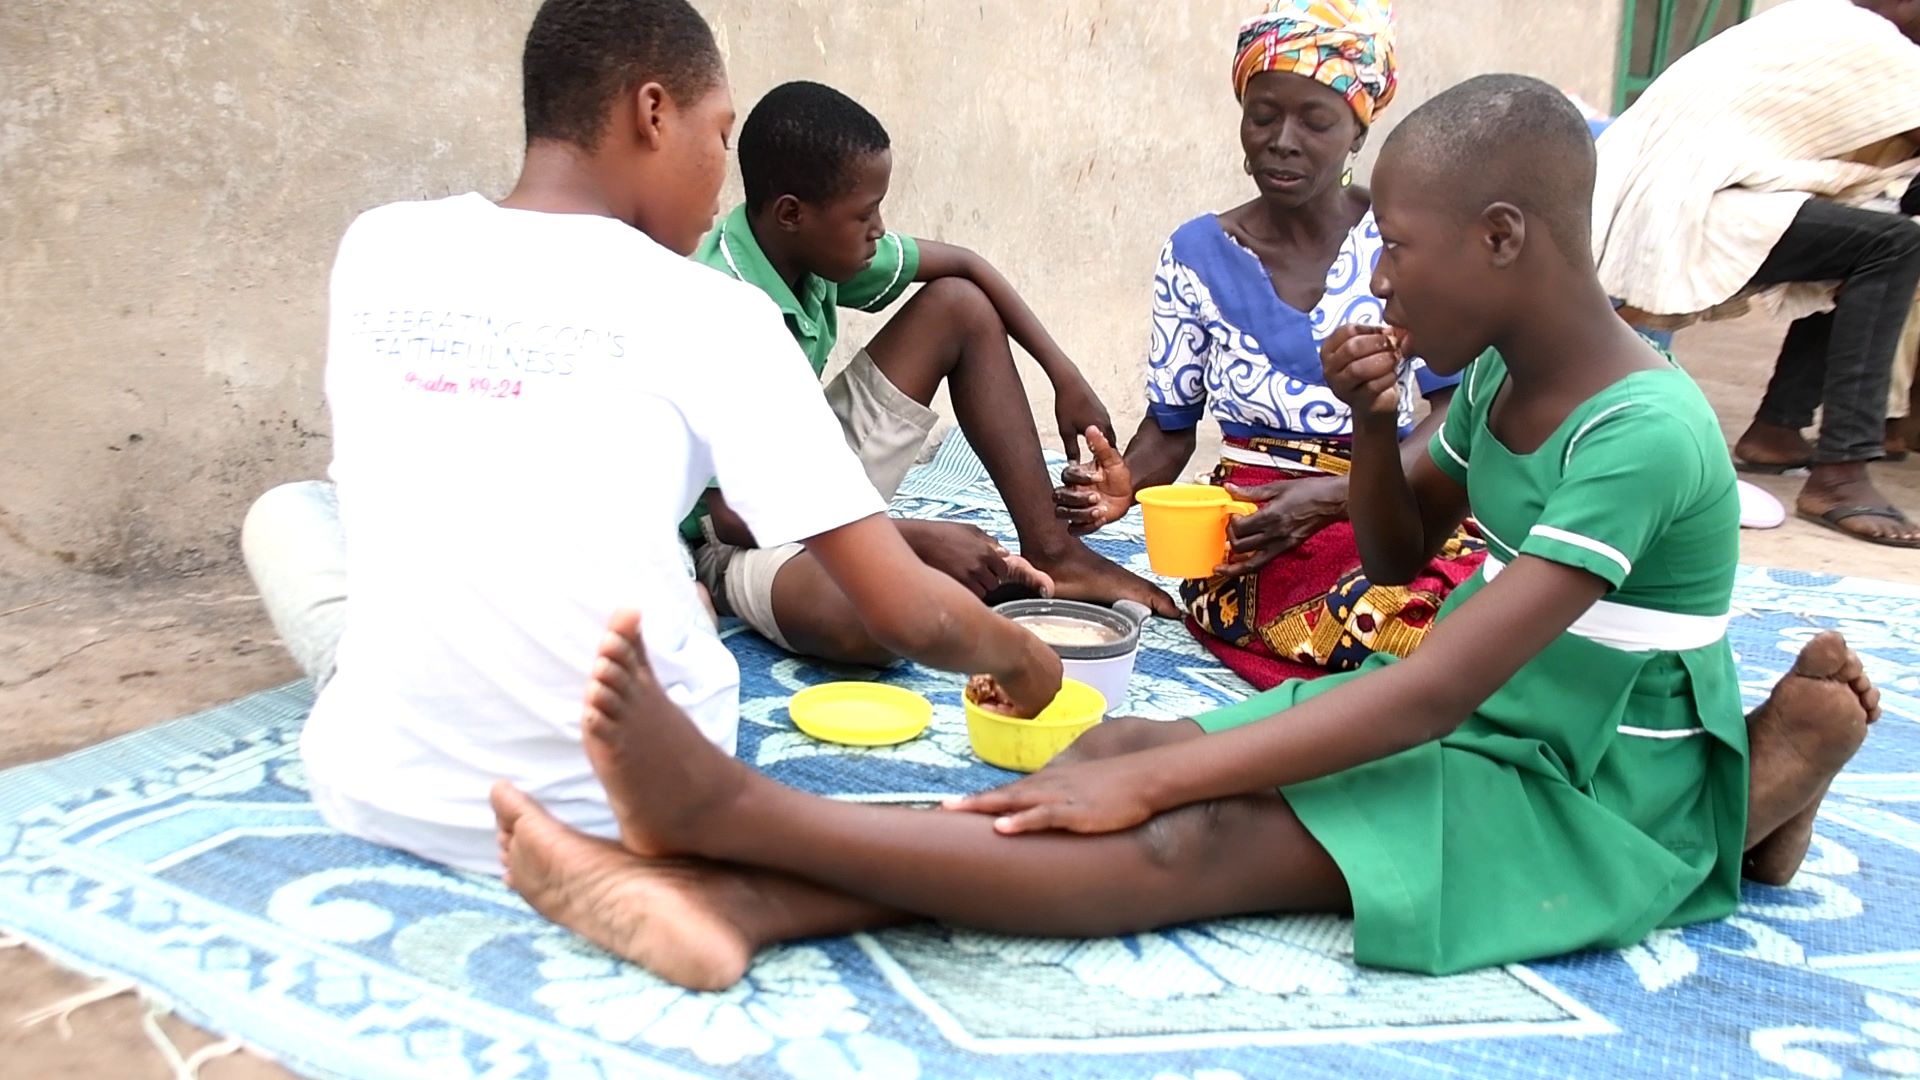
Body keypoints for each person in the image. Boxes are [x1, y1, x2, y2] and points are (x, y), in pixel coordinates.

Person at [488, 76, 1881, 992]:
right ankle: (744, 907)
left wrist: (1167, 790)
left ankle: (735, 827)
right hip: (1498, 723)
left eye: (1396, 245)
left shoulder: (1643, 431)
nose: (1377, 273)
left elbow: (1436, 683)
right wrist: (1370, 433)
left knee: (1178, 839)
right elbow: (1399, 566)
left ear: (1505, 237)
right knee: (1119, 747)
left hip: (1579, 784)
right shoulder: (1510, 377)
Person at [238, 0, 1061, 875]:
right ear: (653, 112)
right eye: (717, 135)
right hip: (633, 806)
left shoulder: (380, 247)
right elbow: (911, 614)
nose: (720, 177)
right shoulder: (713, 312)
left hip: (383, 789)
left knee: (290, 516)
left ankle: (391, 694)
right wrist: (1024, 660)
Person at [1053, 0, 1484, 689]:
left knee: (1481, 616)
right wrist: (1124, 487)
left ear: (1357, 132)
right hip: (1253, 528)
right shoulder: (1195, 253)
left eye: (1315, 120)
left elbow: (1450, 419)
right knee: (1407, 635)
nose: (1283, 139)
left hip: (1397, 500)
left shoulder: (1403, 241)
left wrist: (1335, 495)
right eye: (1263, 115)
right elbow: (1171, 428)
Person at [685, 81, 1176, 666]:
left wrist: (1062, 374)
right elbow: (729, 516)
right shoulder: (718, 302)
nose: (879, 229)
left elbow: (968, 266)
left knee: (959, 305)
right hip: (734, 532)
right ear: (792, 213)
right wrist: (902, 536)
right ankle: (886, 570)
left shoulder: (802, 247)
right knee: (886, 624)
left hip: (808, 476)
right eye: (864, 215)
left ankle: (1053, 550)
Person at [1591, 0, 1920, 547]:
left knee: (1869, 241)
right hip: (1677, 206)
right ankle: (1840, 476)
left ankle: (1777, 430)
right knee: (1895, 246)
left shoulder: (1816, 19)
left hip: (1661, 196)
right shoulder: (1873, 41)